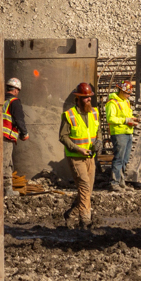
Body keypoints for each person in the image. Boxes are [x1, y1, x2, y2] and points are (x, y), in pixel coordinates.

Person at [59, 82, 101, 229]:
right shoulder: (69, 115)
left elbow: (98, 132)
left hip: (90, 157)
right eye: (86, 98)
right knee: (84, 186)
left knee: (87, 190)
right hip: (76, 157)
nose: (89, 100)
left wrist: (99, 142)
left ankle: (71, 214)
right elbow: (63, 137)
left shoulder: (94, 113)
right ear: (78, 98)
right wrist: (78, 149)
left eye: (90, 97)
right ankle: (85, 220)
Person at [104, 81, 139, 191]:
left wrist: (133, 119)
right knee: (119, 158)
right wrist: (126, 120)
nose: (128, 95)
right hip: (119, 133)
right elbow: (110, 119)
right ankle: (114, 183)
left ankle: (121, 182)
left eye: (129, 93)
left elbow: (127, 115)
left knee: (125, 159)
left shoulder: (126, 101)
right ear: (120, 91)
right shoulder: (112, 103)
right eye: (126, 93)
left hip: (128, 132)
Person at [2, 78, 29, 198]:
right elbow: (19, 119)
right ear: (16, 90)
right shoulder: (14, 102)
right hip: (5, 137)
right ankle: (6, 190)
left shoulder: (1, 100)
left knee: (7, 163)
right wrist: (24, 133)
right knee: (5, 163)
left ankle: (6, 189)